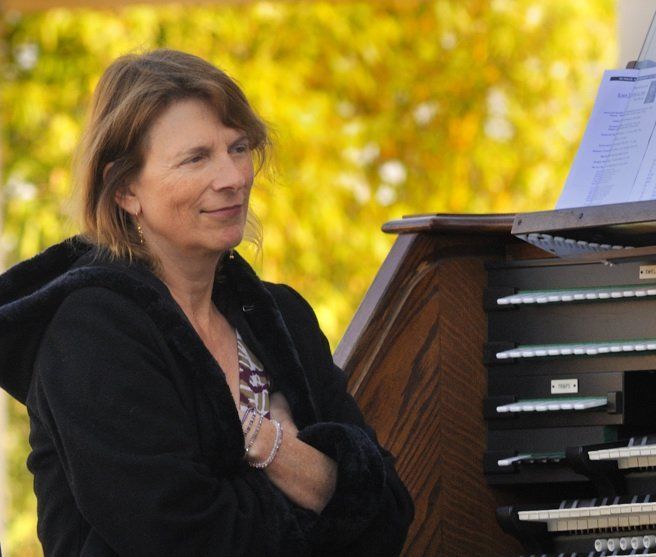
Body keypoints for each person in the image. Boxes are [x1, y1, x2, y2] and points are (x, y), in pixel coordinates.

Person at [0, 49, 414, 556]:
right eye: (196, 158)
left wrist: (268, 446)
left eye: (238, 148)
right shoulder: (91, 330)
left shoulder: (281, 317)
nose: (233, 177)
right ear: (125, 189)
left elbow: (391, 514)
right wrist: (321, 484)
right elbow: (181, 537)